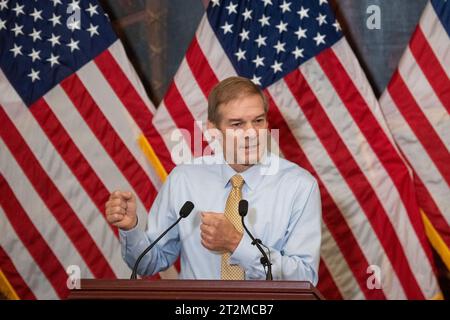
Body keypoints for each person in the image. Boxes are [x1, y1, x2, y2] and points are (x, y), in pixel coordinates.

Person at [105, 76, 322, 283]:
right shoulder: (184, 179)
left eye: (258, 121)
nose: (251, 133)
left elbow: (304, 277)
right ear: (213, 130)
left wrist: (237, 244)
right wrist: (130, 229)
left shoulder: (300, 186)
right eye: (237, 124)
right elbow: (148, 264)